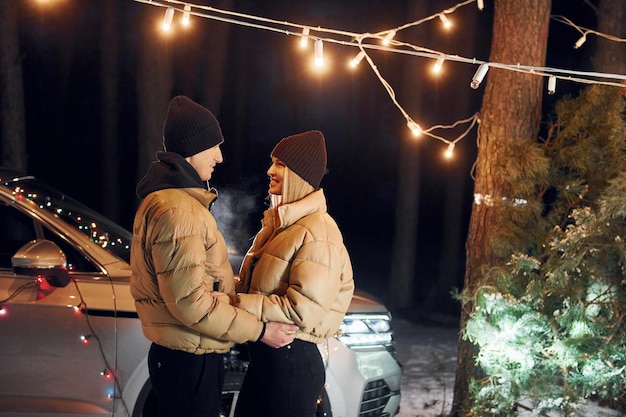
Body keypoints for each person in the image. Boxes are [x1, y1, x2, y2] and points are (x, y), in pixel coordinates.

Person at [130, 95, 297, 417]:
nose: (220, 157)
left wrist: (226, 291)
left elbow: (193, 283)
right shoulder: (178, 210)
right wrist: (260, 331)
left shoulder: (174, 202)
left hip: (185, 355)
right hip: (189, 359)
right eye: (213, 147)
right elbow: (190, 302)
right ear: (192, 149)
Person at [232, 130, 355, 417]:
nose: (270, 171)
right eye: (273, 162)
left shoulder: (318, 232)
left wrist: (237, 303)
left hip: (291, 365)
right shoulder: (280, 226)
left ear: (300, 174)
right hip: (266, 362)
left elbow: (303, 310)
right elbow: (257, 288)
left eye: (281, 165)